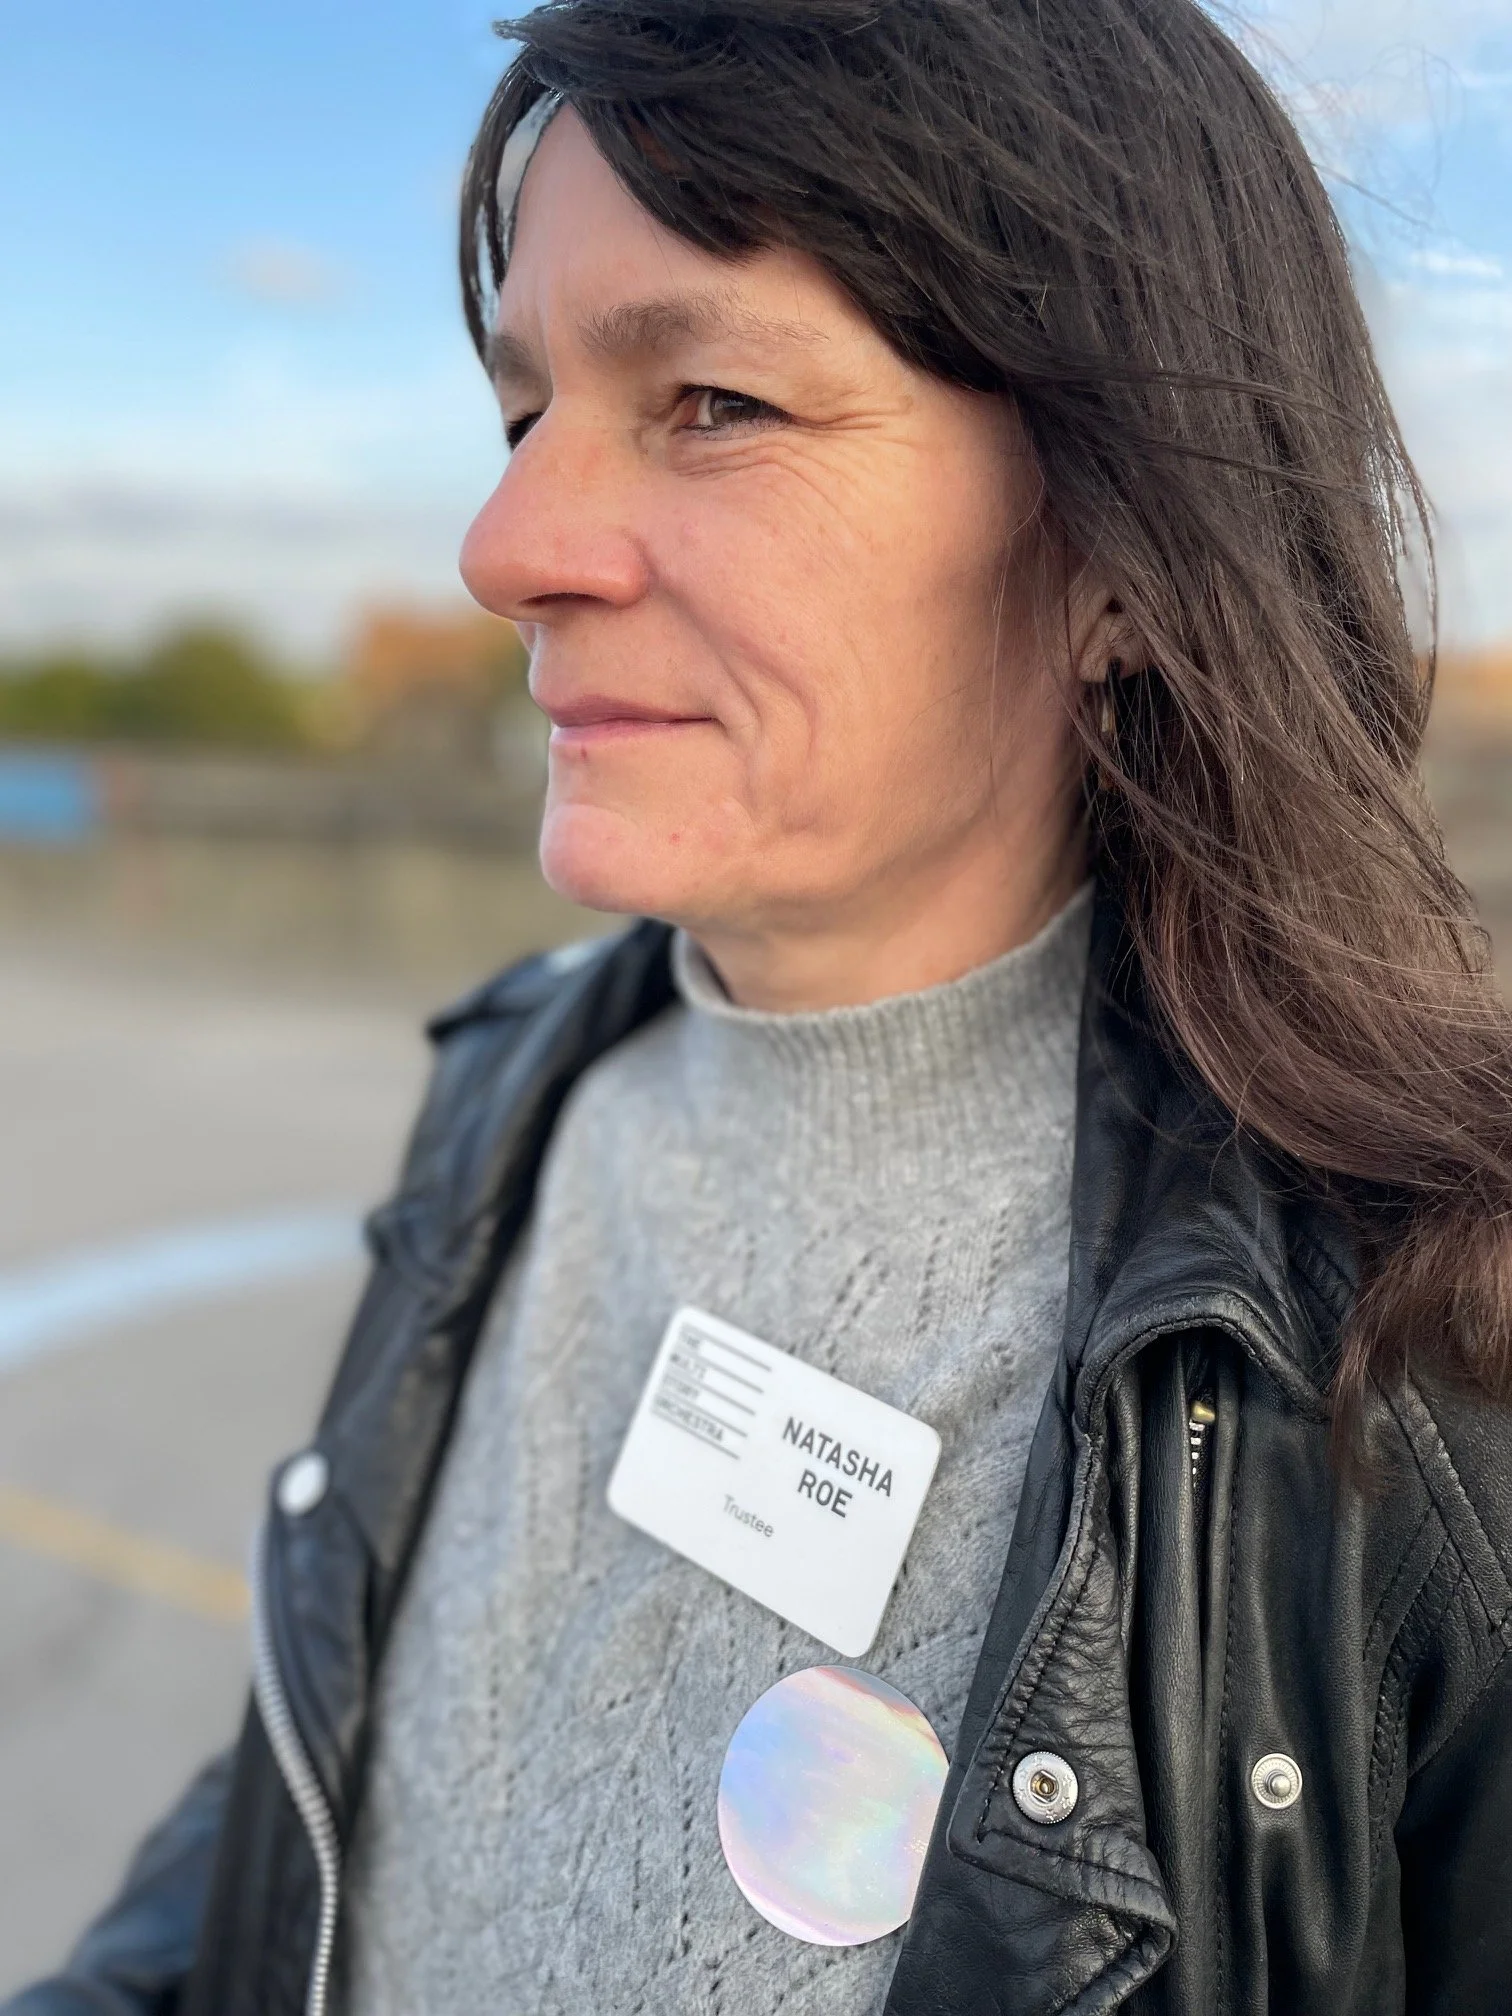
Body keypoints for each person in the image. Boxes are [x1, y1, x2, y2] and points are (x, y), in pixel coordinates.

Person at [12, 0, 1512, 2010]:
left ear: (1123, 548)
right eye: (524, 412)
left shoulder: (1426, 1363)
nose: (506, 549)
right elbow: (336, 1762)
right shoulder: (509, 1094)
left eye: (711, 401)